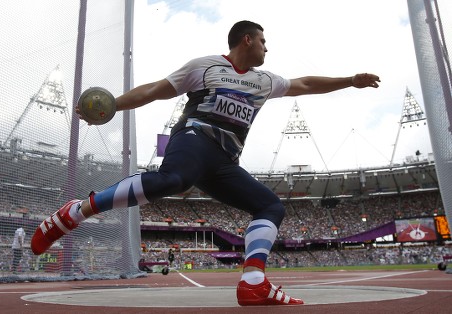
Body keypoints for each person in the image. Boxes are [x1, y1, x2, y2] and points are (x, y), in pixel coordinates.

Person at [31, 20, 380, 306]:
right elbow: (155, 90)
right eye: (263, 41)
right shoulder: (205, 66)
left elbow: (304, 83)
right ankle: (77, 210)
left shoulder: (264, 80)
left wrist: (349, 81)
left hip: (224, 161)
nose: (266, 48)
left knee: (269, 206)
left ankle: (254, 282)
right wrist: (112, 106)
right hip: (195, 139)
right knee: (175, 179)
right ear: (248, 40)